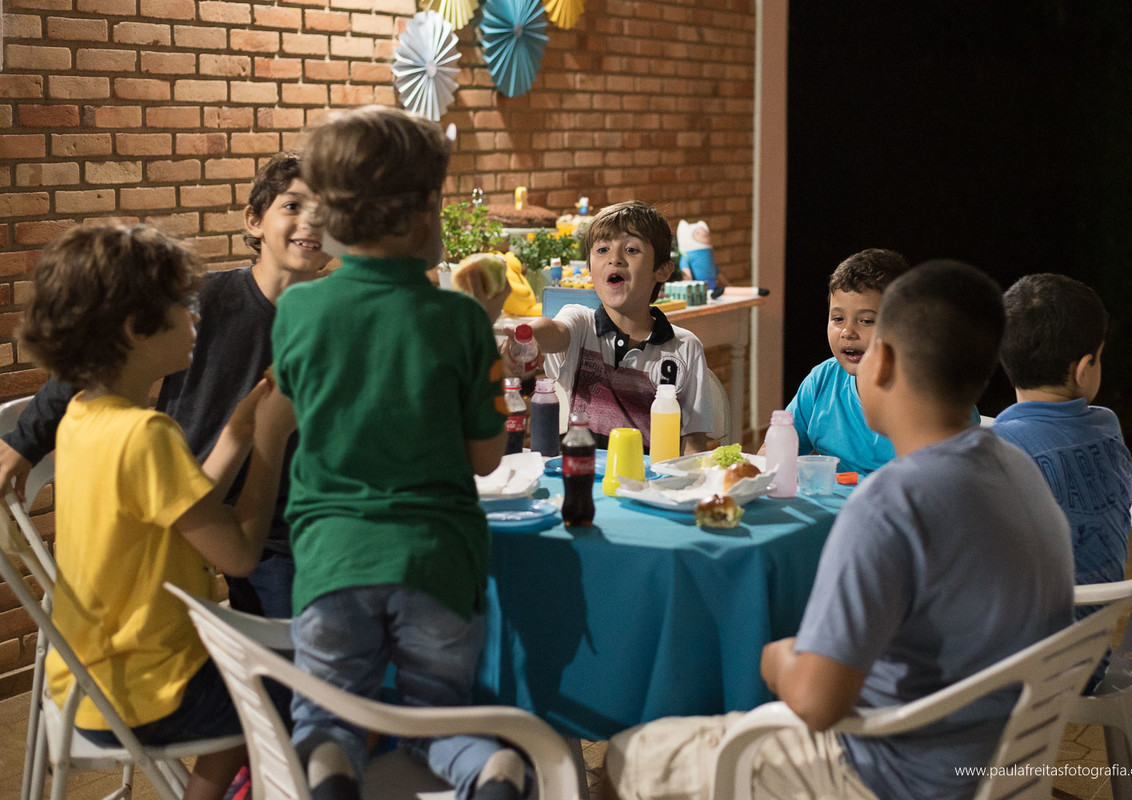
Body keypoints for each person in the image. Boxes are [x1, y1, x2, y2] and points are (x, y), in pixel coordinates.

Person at [605, 261, 1076, 800]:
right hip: (1000, 760)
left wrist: (775, 658)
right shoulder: (1018, 469)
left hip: (893, 773)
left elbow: (816, 702)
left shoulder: (891, 503)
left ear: (885, 362)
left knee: (630, 751)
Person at [272, 105, 521, 800]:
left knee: (326, 712)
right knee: (437, 713)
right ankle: (485, 765)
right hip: (437, 561)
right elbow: (485, 456)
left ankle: (328, 765)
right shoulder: (462, 319)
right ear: (418, 215)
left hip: (330, 559)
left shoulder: (297, 310)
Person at [19, 223, 295, 800]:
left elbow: (188, 508)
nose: (196, 318)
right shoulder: (148, 434)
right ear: (134, 329)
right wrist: (271, 440)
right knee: (275, 691)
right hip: (143, 688)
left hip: (85, 679)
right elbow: (240, 554)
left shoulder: (88, 418)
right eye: (180, 307)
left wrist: (240, 429)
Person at [0, 150, 331, 619]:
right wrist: (23, 443)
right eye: (294, 206)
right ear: (254, 221)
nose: (311, 223)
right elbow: (96, 353)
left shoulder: (340, 318)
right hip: (196, 499)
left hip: (291, 516)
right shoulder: (201, 300)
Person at [512, 200, 713, 453]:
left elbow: (693, 445)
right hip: (581, 475)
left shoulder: (685, 348)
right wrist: (526, 337)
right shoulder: (581, 324)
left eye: (631, 250)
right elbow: (552, 331)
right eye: (603, 249)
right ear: (588, 270)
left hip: (648, 486)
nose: (615, 259)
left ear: (662, 270)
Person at [992, 273, 1132, 611]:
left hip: (1020, 658)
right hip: (1091, 650)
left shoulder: (992, 449)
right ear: (1085, 368)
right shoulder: (1106, 426)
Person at [775, 249, 910, 474]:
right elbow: (775, 450)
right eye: (838, 319)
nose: (848, 332)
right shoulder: (821, 381)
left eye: (866, 321)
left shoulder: (928, 393)